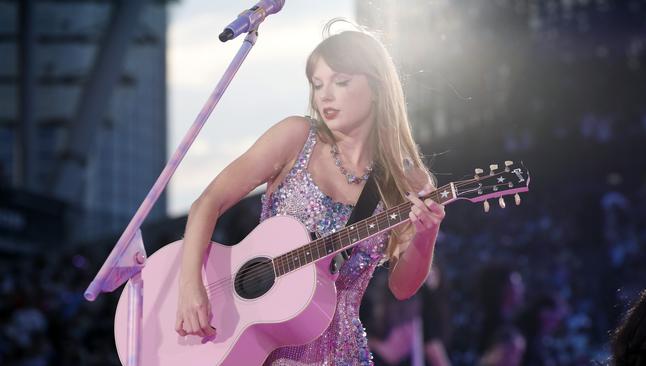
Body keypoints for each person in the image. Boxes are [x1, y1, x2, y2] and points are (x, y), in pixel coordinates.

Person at [174, 19, 446, 365]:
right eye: (318, 85)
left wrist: (426, 235)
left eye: (341, 82)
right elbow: (206, 203)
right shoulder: (296, 137)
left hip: (342, 354)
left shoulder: (407, 180)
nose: (325, 96)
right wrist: (189, 287)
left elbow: (402, 288)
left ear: (377, 88)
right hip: (264, 347)